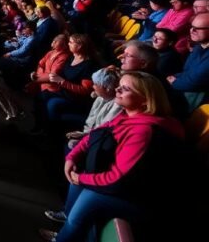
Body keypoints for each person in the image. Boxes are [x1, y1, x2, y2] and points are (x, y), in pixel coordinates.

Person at [39, 71, 186, 242]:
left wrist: (82, 178)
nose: (117, 90)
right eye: (119, 86)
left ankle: (66, 235)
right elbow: (95, 134)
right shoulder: (126, 115)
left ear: (146, 100)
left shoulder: (144, 131)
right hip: (123, 186)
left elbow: (117, 179)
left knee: (89, 198)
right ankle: (69, 225)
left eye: (125, 89)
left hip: (141, 199)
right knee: (77, 178)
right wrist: (72, 157)